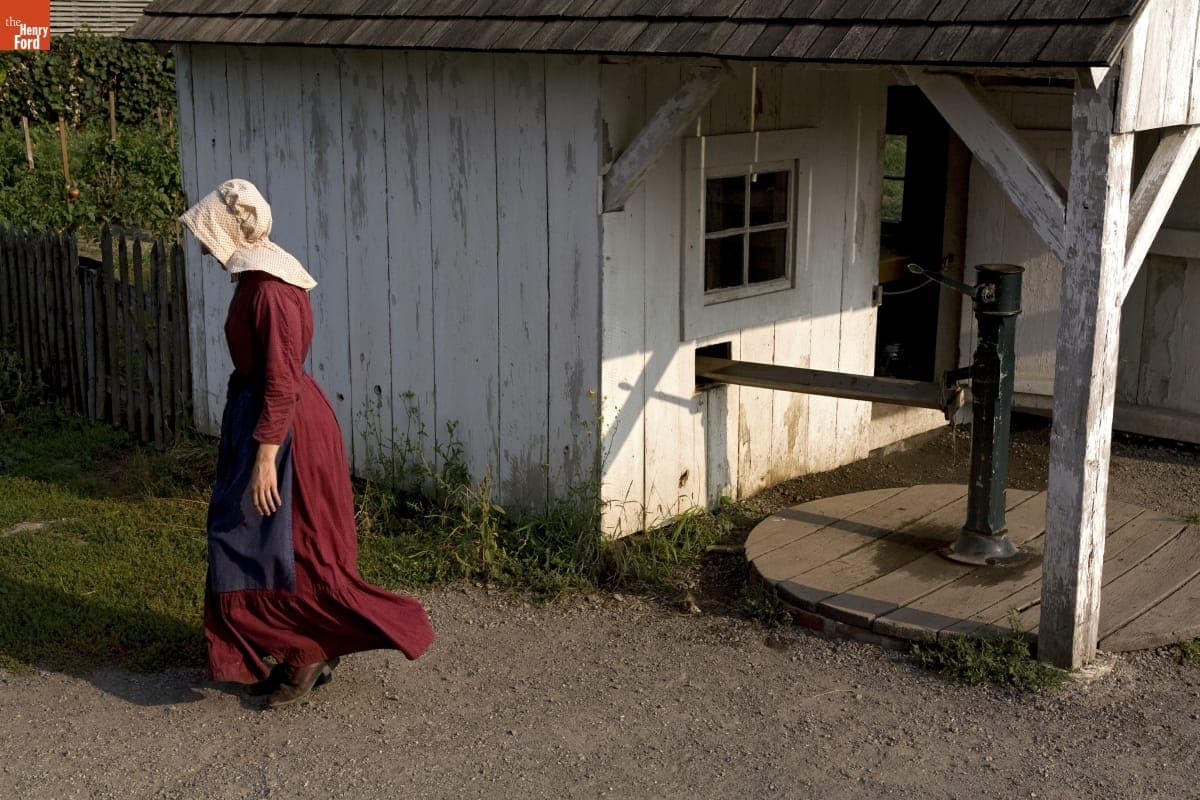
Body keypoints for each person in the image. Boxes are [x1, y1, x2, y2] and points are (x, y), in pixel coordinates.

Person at [180, 179, 434, 709]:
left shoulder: (271, 290)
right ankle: (302, 647)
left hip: (285, 429)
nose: (202, 245)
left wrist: (266, 457)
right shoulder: (254, 279)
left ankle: (306, 650)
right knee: (268, 545)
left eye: (207, 234)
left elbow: (281, 381)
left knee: (281, 546)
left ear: (229, 231)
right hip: (270, 420)